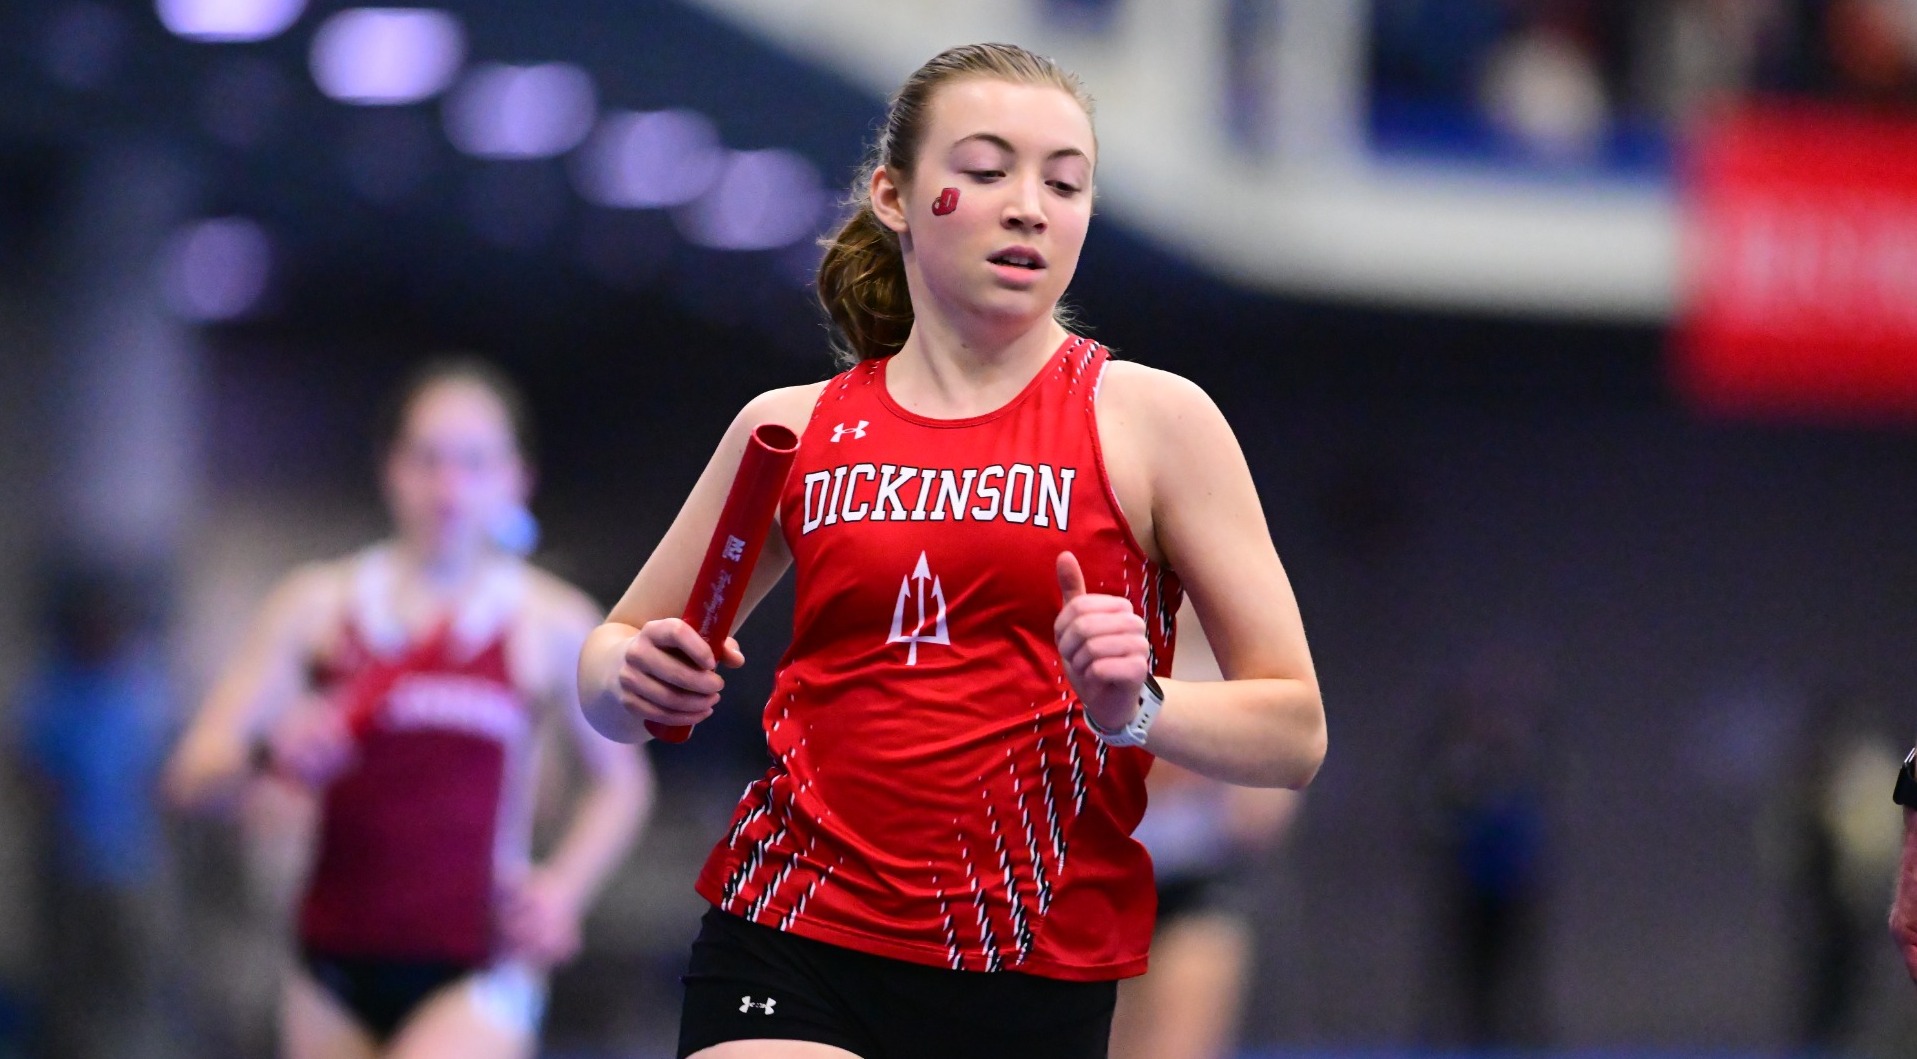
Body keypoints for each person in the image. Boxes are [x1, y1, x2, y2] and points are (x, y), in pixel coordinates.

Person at [578, 42, 1326, 1059]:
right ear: (895, 194)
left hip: (1025, 968)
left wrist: (1138, 706)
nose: (1029, 206)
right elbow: (613, 654)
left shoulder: (1156, 422)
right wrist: (632, 674)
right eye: (984, 171)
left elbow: (1294, 731)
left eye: (1065, 183)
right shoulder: (792, 429)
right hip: (792, 930)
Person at [166, 359, 652, 1059]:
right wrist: (270, 749)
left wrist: (561, 890)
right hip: (331, 960)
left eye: (475, 463)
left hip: (478, 961)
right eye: (427, 459)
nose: (449, 487)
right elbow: (190, 779)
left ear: (518, 479)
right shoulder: (317, 605)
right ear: (389, 467)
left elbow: (623, 785)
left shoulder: (550, 619)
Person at [1107, 601, 1301, 1059]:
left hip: (1195, 886)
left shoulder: (1245, 667)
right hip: (1105, 886)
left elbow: (1262, 813)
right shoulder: (1101, 648)